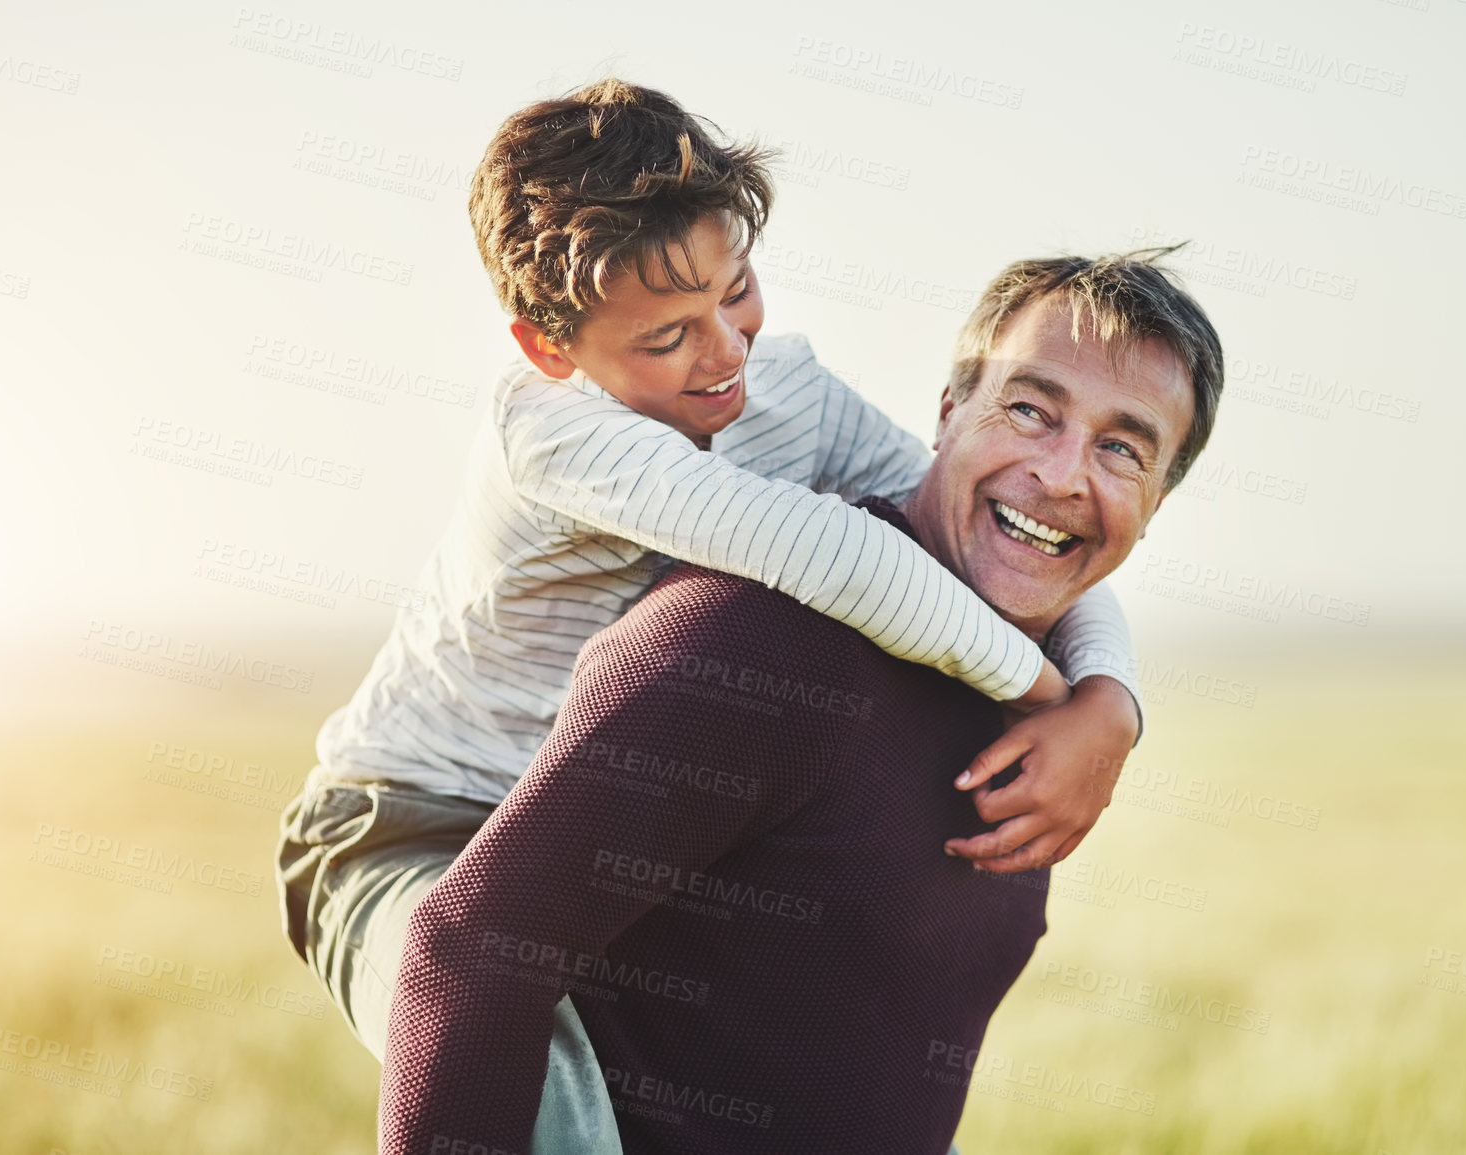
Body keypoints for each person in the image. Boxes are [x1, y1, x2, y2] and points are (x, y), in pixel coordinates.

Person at [276, 80, 1144, 1152]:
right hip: (403, 828)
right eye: (668, 336)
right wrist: (1041, 687)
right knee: (519, 1046)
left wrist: (1112, 701)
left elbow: (993, 528)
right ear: (553, 350)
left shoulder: (783, 391)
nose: (726, 351)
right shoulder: (556, 436)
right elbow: (843, 556)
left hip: (571, 819)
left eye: (738, 292)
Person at [379, 250, 1224, 1153]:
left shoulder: (1051, 718)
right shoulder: (756, 638)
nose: (1061, 474)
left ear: (1158, 498)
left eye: (1121, 447)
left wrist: (1112, 702)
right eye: (1028, 409)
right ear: (947, 412)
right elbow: (470, 950)